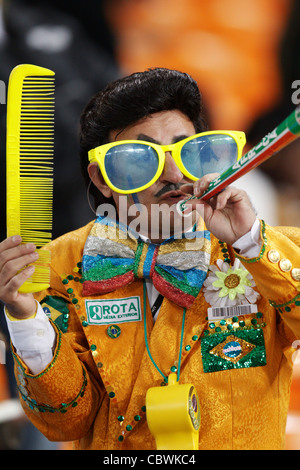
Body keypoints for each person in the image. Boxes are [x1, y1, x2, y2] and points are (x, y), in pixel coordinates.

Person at [0, 68, 300, 450]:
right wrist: (26, 318)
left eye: (186, 151)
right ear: (102, 177)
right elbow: (64, 422)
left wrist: (251, 241)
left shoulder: (265, 250)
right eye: (142, 159)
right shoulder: (58, 265)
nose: (174, 174)